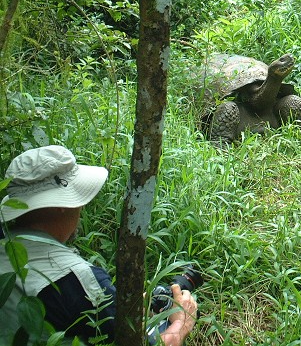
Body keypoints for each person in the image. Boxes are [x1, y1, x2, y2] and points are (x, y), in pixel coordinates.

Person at [0, 145, 198, 345]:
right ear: (62, 205)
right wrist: (181, 325)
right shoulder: (75, 279)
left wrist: (136, 303)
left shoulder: (5, 244)